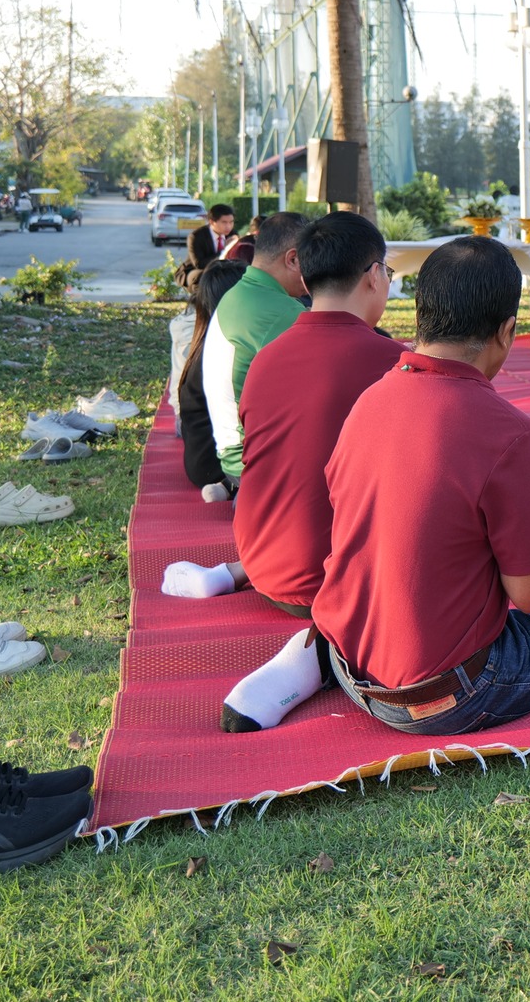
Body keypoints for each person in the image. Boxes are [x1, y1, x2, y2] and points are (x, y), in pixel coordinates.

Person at [313, 236, 530, 736]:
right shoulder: (505, 430)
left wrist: (517, 492)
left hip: (352, 668)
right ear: (507, 332)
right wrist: (529, 495)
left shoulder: (370, 400)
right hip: (448, 693)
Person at [162, 213, 406, 733]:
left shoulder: (271, 354)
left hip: (261, 552)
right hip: (320, 586)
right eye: (387, 271)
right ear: (372, 275)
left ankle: (233, 577)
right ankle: (317, 656)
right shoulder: (390, 364)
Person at [201, 211, 309, 486]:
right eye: (313, 259)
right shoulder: (278, 311)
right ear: (293, 259)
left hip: (232, 455)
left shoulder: (242, 293)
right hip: (252, 465)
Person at [175, 260, 250, 500]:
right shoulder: (227, 350)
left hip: (199, 460)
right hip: (218, 462)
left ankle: (231, 487)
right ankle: (235, 486)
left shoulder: (203, 343)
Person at [181, 204, 236, 291]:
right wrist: (224, 250)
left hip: (224, 270)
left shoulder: (233, 234)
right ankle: (200, 302)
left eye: (231, 222)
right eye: (224, 222)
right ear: (211, 222)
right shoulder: (196, 237)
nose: (228, 226)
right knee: (205, 278)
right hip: (197, 271)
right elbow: (199, 264)